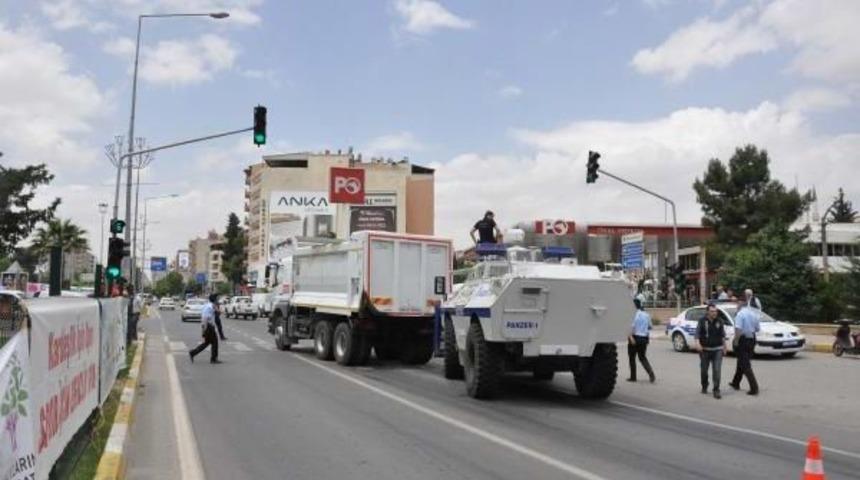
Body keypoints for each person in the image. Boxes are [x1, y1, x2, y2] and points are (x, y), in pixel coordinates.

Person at [696, 303, 727, 399]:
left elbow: (722, 335)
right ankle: (704, 385)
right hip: (705, 350)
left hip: (717, 350)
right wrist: (697, 343)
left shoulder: (720, 321)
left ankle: (716, 390)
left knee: (717, 370)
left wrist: (724, 347)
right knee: (704, 371)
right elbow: (697, 333)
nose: (714, 313)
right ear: (707, 312)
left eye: (716, 311)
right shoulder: (702, 321)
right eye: (712, 311)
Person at [729, 303, 759, 395]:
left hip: (743, 340)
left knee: (745, 364)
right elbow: (757, 329)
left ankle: (754, 388)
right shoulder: (754, 314)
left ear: (739, 307)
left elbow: (738, 329)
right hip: (752, 339)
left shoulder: (740, 314)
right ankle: (735, 382)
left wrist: (736, 341)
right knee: (741, 361)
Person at [627, 298, 655, 383]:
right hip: (644, 339)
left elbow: (630, 328)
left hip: (634, 338)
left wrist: (631, 337)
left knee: (632, 358)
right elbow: (650, 327)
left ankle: (633, 377)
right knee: (642, 357)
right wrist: (643, 328)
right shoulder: (646, 314)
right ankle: (651, 373)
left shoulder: (633, 315)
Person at [189, 294, 221, 364]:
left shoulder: (208, 305)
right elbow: (205, 317)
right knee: (214, 342)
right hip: (208, 326)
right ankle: (213, 359)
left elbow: (217, 314)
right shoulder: (211, 306)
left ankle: (193, 352)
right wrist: (204, 329)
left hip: (208, 326)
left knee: (207, 343)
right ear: (214, 300)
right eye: (217, 299)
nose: (218, 300)